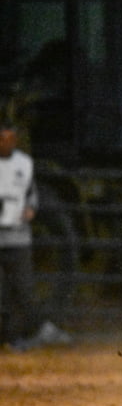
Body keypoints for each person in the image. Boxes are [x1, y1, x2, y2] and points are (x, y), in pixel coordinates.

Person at [0, 123, 39, 350]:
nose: (6, 143)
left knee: (23, 290)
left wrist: (30, 210)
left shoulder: (24, 164)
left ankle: (14, 338)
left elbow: (33, 196)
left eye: (9, 138)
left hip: (18, 238)